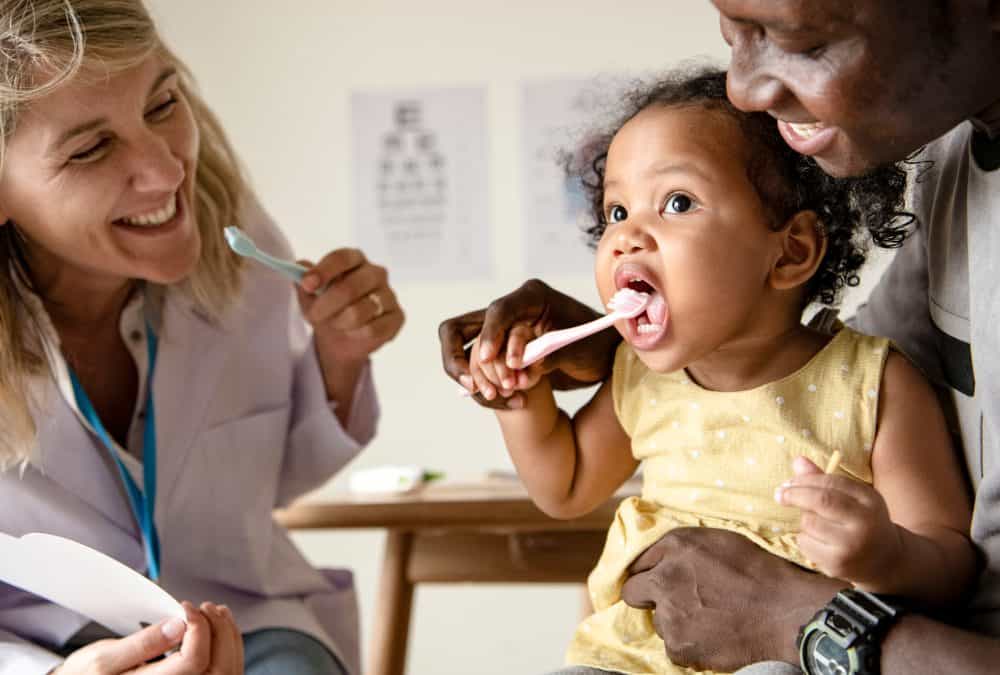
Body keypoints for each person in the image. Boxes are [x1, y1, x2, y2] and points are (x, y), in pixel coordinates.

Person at [439, 1, 1000, 672]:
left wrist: (884, 555)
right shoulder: (644, 380)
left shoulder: (874, 383)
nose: (626, 236)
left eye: (677, 203)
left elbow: (949, 557)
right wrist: (520, 398)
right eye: (616, 211)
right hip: (630, 655)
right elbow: (566, 484)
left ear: (789, 254)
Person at [0, 2, 404, 674]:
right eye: (93, 148)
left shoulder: (242, 248)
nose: (165, 172)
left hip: (246, 621)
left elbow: (264, 481)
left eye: (162, 104)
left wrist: (338, 357)